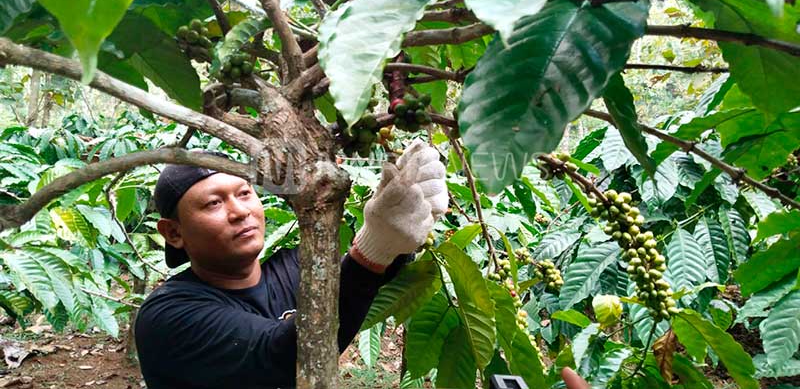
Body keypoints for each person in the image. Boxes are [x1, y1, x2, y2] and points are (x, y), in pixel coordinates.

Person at [134, 142, 591, 388]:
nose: (239, 211)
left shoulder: (289, 270)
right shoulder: (169, 316)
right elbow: (285, 357)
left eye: (245, 193)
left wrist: (401, 232)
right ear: (173, 232)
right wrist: (374, 248)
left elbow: (361, 273)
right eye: (214, 203)